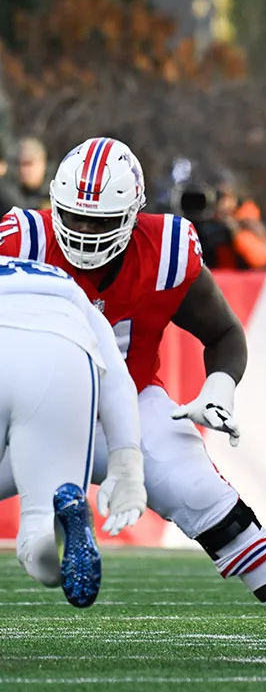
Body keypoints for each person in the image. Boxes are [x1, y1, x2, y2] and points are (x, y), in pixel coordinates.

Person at [0, 137, 266, 664]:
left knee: (201, 490)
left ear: (134, 214)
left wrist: (217, 390)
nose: (85, 232)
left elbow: (225, 334)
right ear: (53, 203)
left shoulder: (166, 251)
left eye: (102, 221)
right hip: (36, 403)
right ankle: (48, 541)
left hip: (129, 401)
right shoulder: (19, 239)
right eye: (75, 217)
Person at [0, 255, 147, 607]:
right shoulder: (60, 280)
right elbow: (117, 379)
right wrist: (128, 465)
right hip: (63, 349)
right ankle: (56, 531)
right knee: (39, 524)